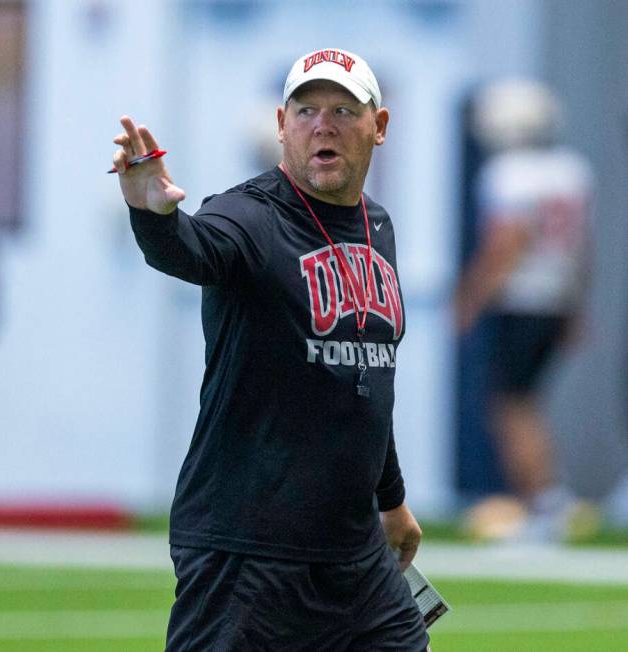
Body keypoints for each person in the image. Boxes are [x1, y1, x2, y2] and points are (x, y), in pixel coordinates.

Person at [113, 48, 428, 650]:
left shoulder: (377, 225)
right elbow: (192, 250)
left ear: (379, 127)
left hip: (352, 552)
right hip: (247, 549)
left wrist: (390, 499)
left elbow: (364, 378)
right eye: (305, 110)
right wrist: (151, 214)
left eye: (343, 109)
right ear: (282, 126)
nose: (323, 125)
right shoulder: (250, 216)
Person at [455, 79, 594, 541]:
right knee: (527, 403)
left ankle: (543, 506)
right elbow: (581, 249)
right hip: (556, 300)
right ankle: (545, 502)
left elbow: (508, 240)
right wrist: (576, 305)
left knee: (511, 407)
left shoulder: (509, 173)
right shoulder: (572, 170)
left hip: (521, 299)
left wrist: (472, 295)